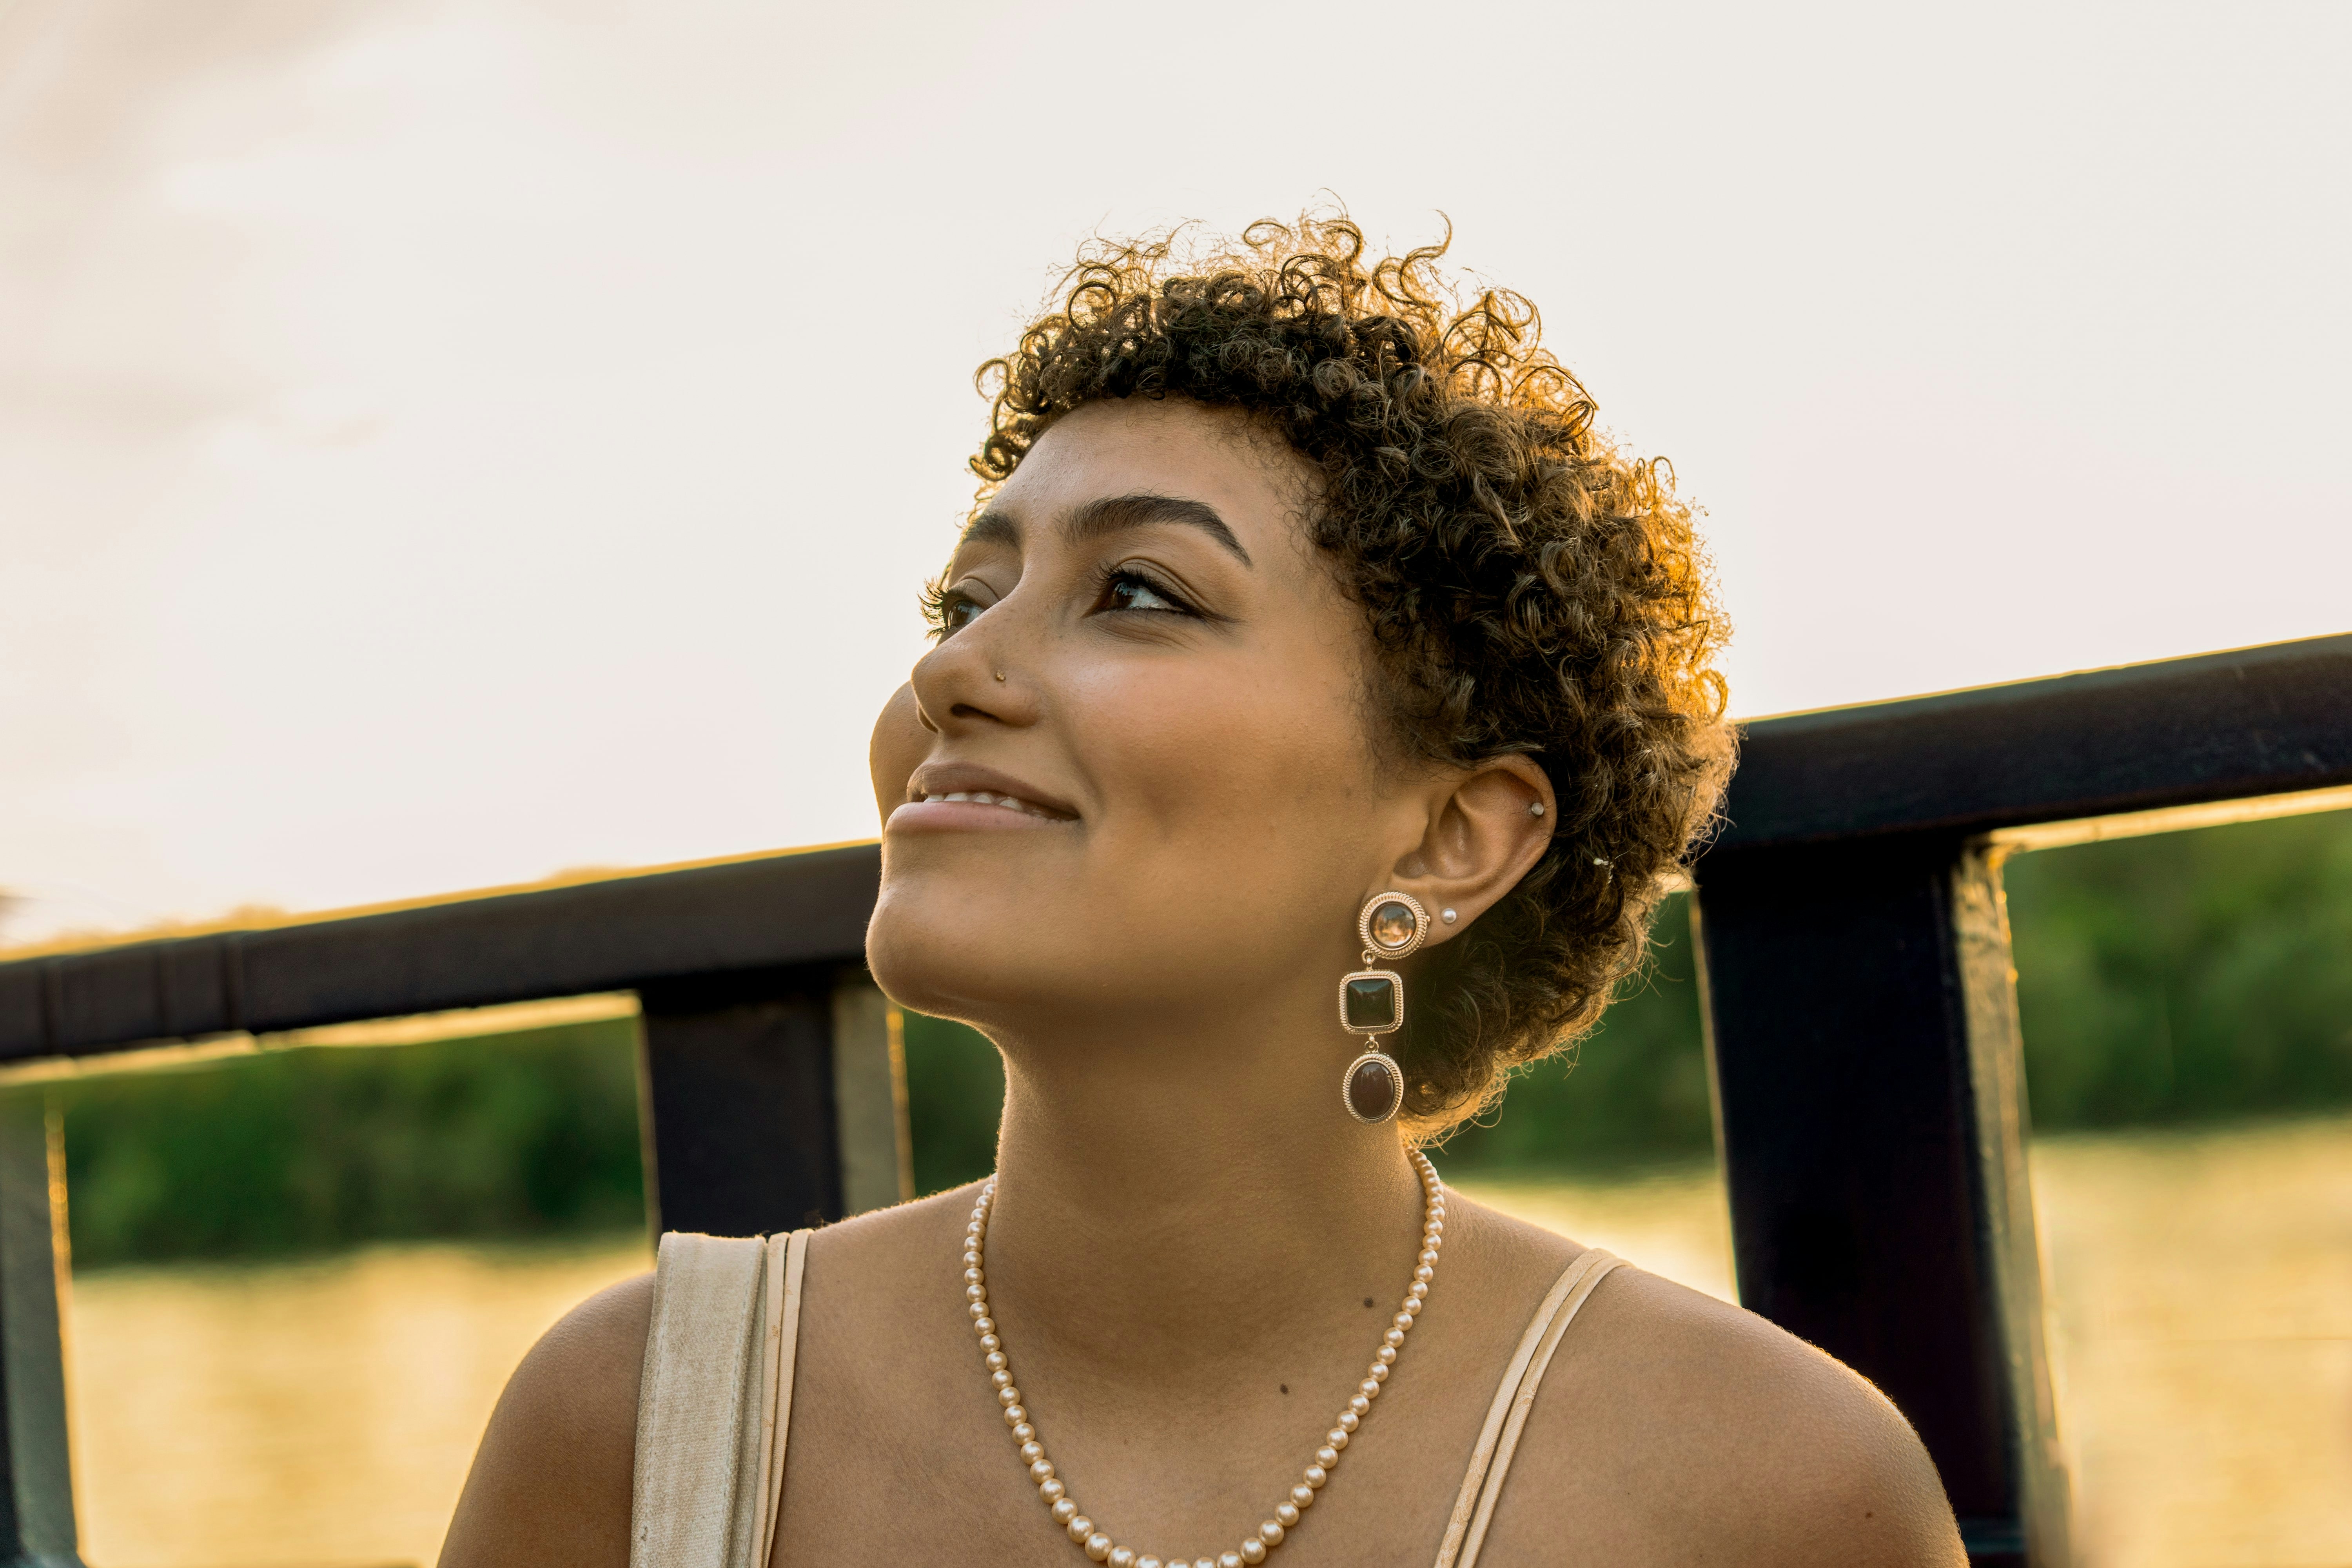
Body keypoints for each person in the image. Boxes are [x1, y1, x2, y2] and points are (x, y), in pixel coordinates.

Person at [439, 214, 1966, 1567]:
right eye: (965, 600)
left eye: (1141, 593)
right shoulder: (640, 1429)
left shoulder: (1768, 1492)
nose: (950, 670)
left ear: (1450, 839)